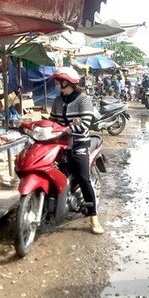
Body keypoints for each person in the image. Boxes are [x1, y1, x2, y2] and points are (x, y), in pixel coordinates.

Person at [49, 67, 104, 235]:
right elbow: (52, 121)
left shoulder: (84, 99)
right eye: (60, 84)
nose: (61, 87)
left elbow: (84, 124)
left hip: (79, 144)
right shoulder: (58, 100)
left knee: (83, 178)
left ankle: (93, 217)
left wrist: (66, 129)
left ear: (72, 84)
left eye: (63, 84)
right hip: (59, 144)